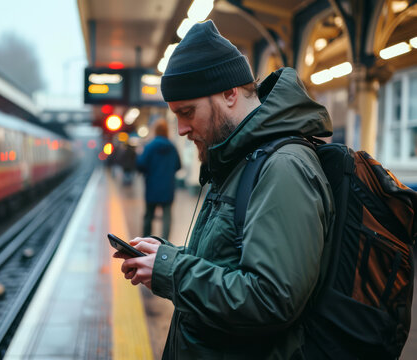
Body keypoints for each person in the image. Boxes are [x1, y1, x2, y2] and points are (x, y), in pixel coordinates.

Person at [113, 20, 335, 359]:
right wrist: (167, 255)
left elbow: (271, 299)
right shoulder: (237, 161)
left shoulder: (283, 167)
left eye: (187, 113)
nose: (182, 129)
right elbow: (229, 264)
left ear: (230, 93)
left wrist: (170, 269)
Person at [136, 118, 181, 240]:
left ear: (155, 130)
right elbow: (178, 165)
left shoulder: (149, 146)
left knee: (149, 215)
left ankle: (146, 240)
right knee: (167, 216)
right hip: (168, 187)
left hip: (152, 186)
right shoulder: (172, 147)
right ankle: (165, 242)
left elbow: (141, 164)